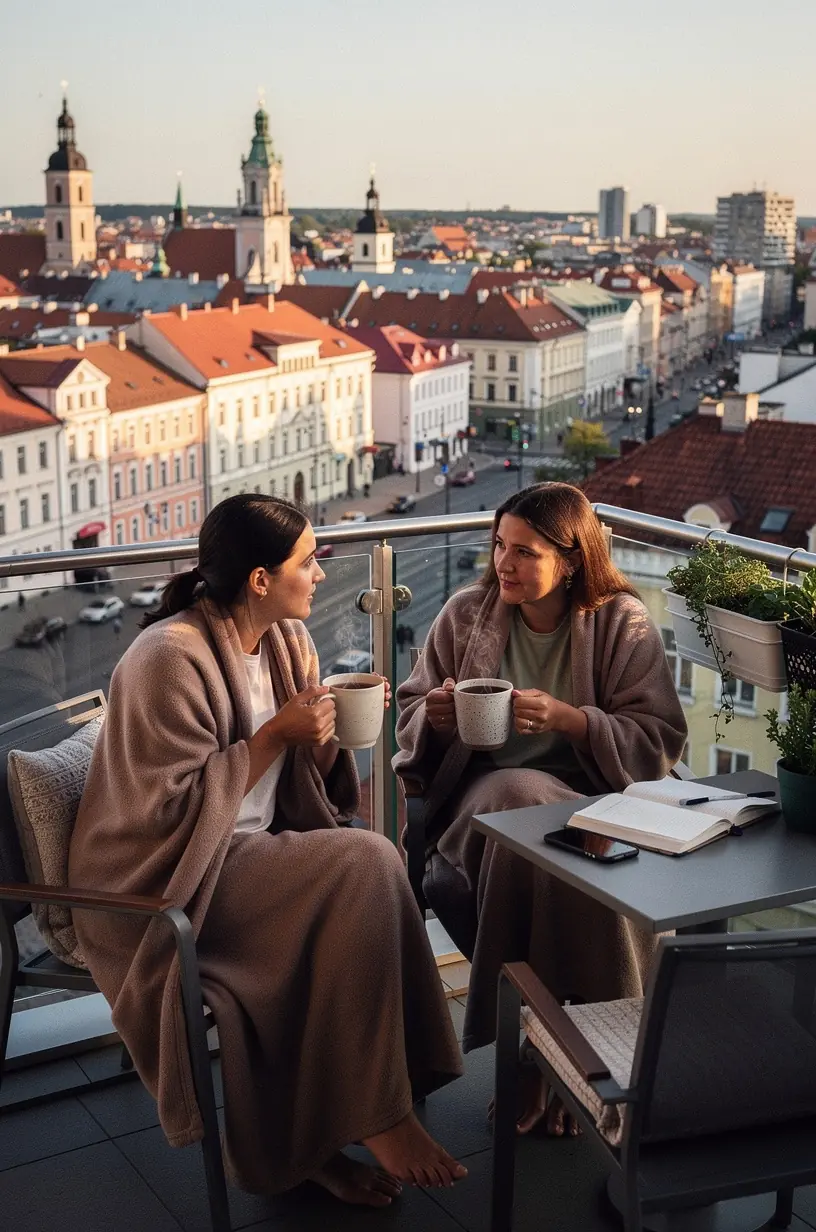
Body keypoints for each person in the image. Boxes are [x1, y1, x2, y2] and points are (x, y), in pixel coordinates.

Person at [70, 494, 465, 1204]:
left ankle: (321, 1139)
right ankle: (382, 1114)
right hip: (166, 880)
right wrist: (275, 736)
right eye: (308, 561)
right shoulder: (168, 658)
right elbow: (165, 816)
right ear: (259, 578)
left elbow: (302, 788)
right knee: (369, 861)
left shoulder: (286, 643)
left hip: (250, 856)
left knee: (364, 868)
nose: (320, 573)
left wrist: (320, 737)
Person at [394, 482, 686, 1134]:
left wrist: (574, 722)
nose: (504, 564)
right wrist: (435, 717)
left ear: (573, 558)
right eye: (499, 546)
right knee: (515, 799)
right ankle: (583, 1062)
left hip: (592, 804)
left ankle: (536, 1051)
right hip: (484, 795)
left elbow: (659, 741)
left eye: (525, 552)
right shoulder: (467, 615)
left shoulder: (620, 622)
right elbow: (411, 715)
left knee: (548, 847)